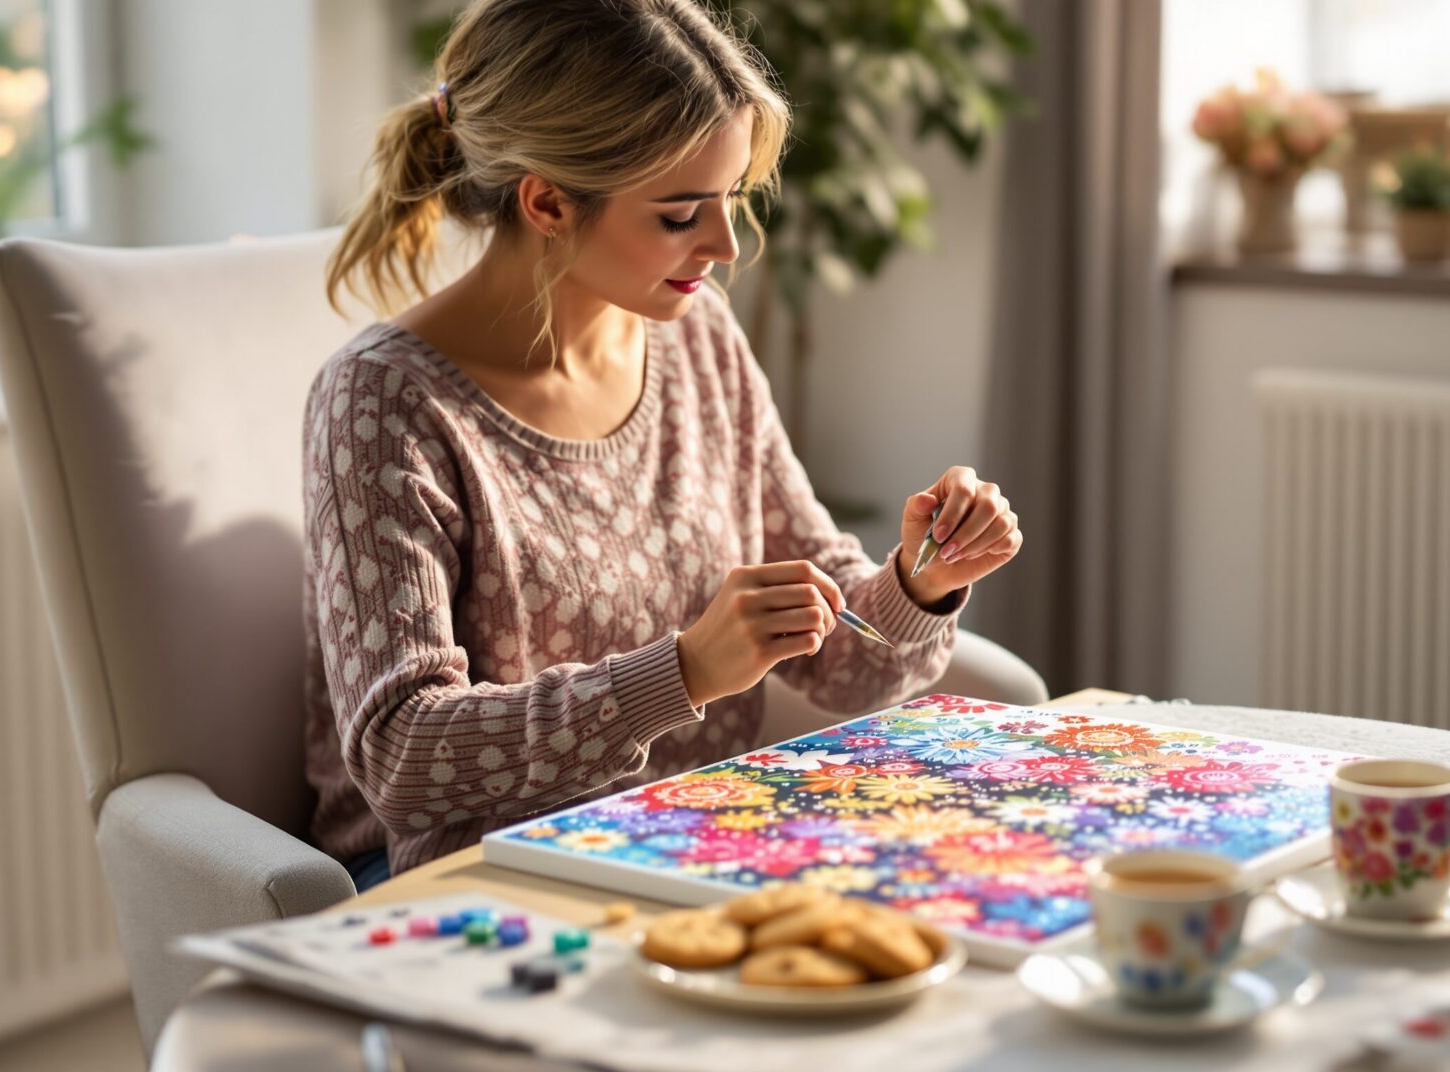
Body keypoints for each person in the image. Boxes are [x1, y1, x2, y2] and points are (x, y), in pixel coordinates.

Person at [306, 0, 1024, 893]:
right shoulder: (385, 401)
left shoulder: (697, 339)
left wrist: (922, 580)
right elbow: (401, 755)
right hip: (474, 881)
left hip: (691, 846)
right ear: (548, 201)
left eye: (731, 200)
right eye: (682, 214)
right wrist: (683, 672)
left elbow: (845, 663)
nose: (724, 245)